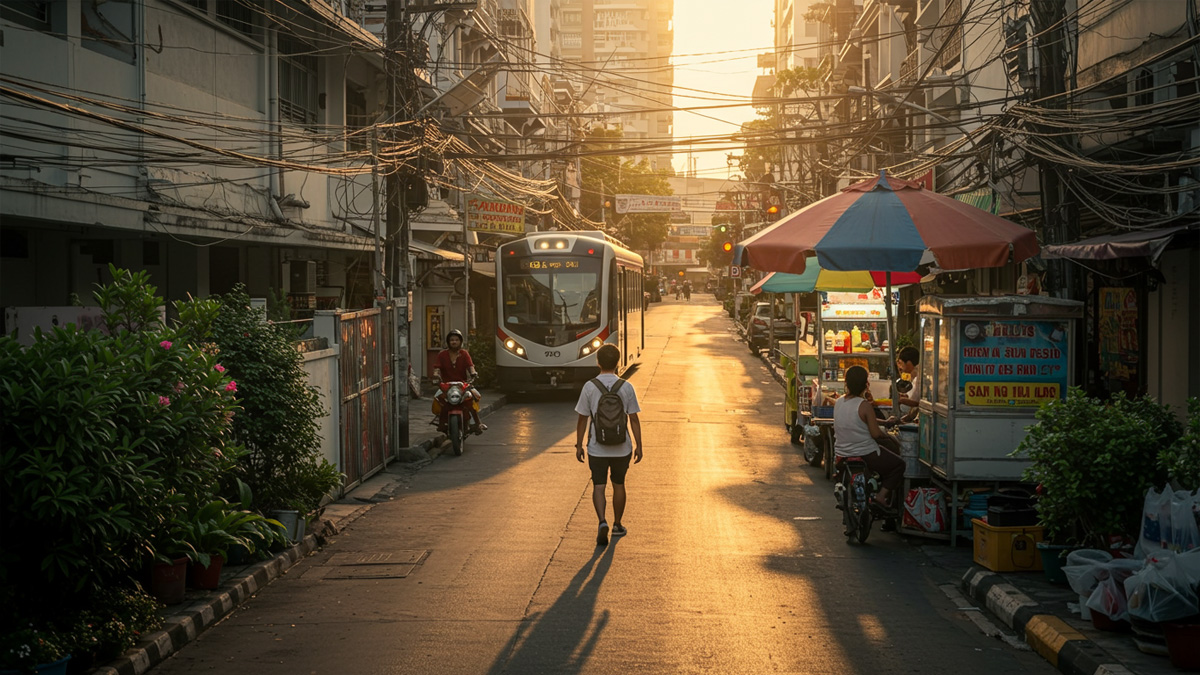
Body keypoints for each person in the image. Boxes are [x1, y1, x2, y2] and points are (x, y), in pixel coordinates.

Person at [574, 344, 643, 547]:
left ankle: (602, 521)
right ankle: (618, 524)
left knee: (599, 485)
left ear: (598, 362)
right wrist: (639, 445)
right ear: (618, 362)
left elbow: (582, 419)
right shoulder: (626, 387)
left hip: (597, 447)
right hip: (622, 447)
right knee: (619, 484)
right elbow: (634, 419)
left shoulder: (589, 387)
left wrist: (579, 445)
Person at [833, 366, 904, 513]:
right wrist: (888, 435)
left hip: (841, 453)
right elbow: (875, 434)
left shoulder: (839, 402)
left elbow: (859, 420)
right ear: (866, 384)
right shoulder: (864, 405)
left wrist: (884, 423)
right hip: (865, 453)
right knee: (899, 465)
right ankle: (881, 496)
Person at [432, 329, 486, 434]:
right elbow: (437, 367)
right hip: (446, 385)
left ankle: (477, 423)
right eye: (452, 340)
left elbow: (470, 366)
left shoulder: (464, 354)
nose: (454, 342)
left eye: (456, 340)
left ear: (460, 342)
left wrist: (473, 373)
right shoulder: (442, 354)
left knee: (472, 399)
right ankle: (441, 423)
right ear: (448, 342)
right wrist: (436, 375)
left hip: (462, 384)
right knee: (439, 400)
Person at [895, 346, 921, 423]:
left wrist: (901, 400)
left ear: (909, 363)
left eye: (900, 363)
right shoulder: (915, 375)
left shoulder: (920, 376)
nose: (900, 367)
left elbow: (916, 402)